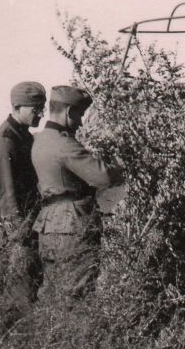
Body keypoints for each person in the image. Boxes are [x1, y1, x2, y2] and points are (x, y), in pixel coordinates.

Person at [31, 86, 124, 301]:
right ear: (68, 112)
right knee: (78, 292)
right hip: (72, 225)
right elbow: (103, 177)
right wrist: (119, 165)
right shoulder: (65, 144)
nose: (81, 122)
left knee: (52, 291)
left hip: (48, 225)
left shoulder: (41, 140)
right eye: (79, 115)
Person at [0, 81, 46, 324]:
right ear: (17, 107)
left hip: (26, 221)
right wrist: (20, 233)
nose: (41, 114)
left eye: (42, 108)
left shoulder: (22, 135)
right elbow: (6, 195)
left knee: (27, 285)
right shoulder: (6, 141)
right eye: (35, 109)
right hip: (14, 226)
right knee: (16, 288)